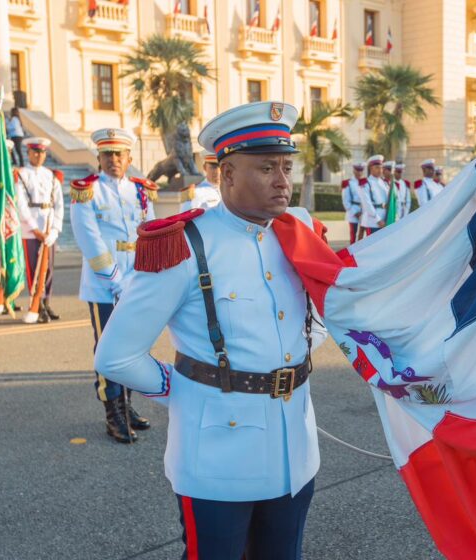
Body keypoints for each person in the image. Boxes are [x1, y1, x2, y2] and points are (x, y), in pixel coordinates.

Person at [93, 101, 328, 559]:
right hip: (218, 453)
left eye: (286, 165)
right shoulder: (182, 244)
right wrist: (180, 388)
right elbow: (116, 355)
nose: (283, 180)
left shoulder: (298, 232)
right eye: (266, 168)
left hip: (295, 449)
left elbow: (317, 314)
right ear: (224, 174)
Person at [70, 128, 157, 443]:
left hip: (137, 282)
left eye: (119, 154)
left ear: (129, 158)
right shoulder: (87, 191)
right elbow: (89, 239)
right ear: (99, 158)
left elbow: (151, 232)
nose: (114, 160)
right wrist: (116, 281)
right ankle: (113, 414)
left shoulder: (140, 191)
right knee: (108, 348)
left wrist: (143, 278)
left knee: (133, 346)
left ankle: (127, 405)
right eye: (108, 154)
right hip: (104, 286)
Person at [14, 137, 64, 323]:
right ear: (28, 153)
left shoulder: (51, 176)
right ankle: (37, 304)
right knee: (34, 269)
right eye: (35, 151)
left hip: (49, 228)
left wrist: (55, 230)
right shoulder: (21, 175)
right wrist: (35, 229)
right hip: (31, 229)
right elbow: (21, 204)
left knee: (48, 268)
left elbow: (59, 204)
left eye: (42, 152)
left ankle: (46, 302)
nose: (39, 155)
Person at [358, 154, 389, 236]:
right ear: (371, 168)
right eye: (377, 168)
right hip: (373, 221)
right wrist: (378, 220)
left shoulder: (384, 183)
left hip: (385, 219)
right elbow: (367, 204)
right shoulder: (366, 183)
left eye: (381, 168)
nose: (380, 170)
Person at [341, 162, 364, 244]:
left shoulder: (365, 182)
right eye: (357, 170)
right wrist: (355, 213)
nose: (359, 172)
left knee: (362, 235)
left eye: (361, 170)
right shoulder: (348, 183)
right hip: (353, 211)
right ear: (354, 170)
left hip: (364, 211)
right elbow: (346, 201)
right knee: (353, 235)